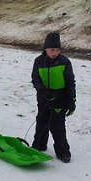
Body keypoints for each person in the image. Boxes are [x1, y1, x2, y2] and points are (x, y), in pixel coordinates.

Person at [31, 32, 76, 163]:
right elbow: (35, 79)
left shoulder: (64, 62)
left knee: (57, 125)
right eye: (52, 50)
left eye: (57, 50)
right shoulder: (38, 61)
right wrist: (42, 91)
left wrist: (72, 100)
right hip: (43, 98)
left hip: (60, 98)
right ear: (45, 49)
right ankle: (39, 145)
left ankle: (63, 152)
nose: (54, 52)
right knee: (42, 121)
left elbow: (70, 82)